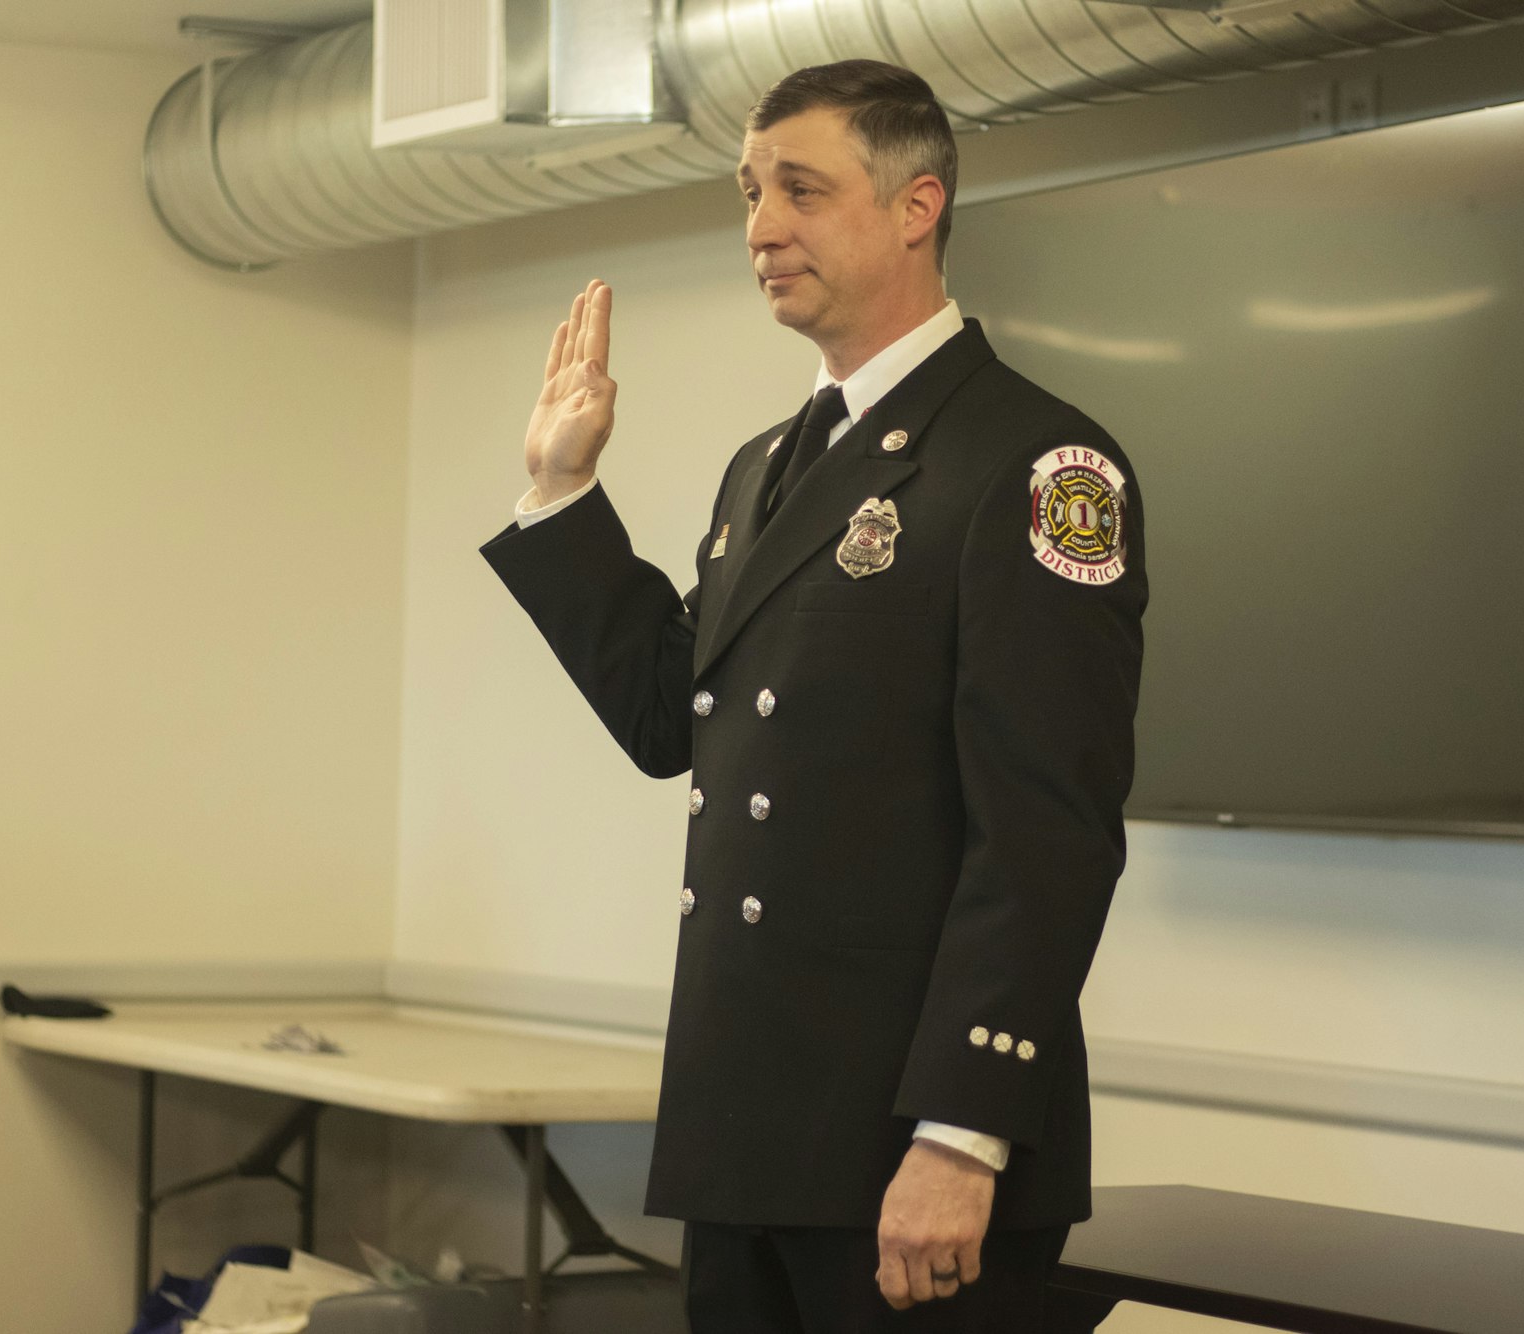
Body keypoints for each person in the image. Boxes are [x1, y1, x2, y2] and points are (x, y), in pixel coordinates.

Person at [481, 59, 1144, 1333]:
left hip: (906, 1150)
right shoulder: (769, 465)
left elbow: (1044, 834)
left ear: (915, 206)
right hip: (748, 1134)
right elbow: (669, 718)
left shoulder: (1034, 462)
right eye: (748, 193)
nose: (760, 226)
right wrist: (562, 493)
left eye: (800, 189)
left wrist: (961, 1135)